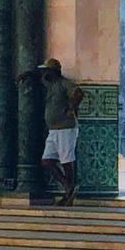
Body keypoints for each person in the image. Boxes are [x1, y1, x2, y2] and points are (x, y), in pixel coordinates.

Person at [39, 59, 84, 206]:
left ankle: (68, 193)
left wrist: (71, 106)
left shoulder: (64, 83)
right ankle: (68, 186)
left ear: (54, 71)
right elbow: (37, 75)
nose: (45, 73)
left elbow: (78, 93)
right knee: (47, 161)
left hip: (66, 128)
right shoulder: (50, 85)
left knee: (66, 161)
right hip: (54, 130)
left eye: (47, 70)